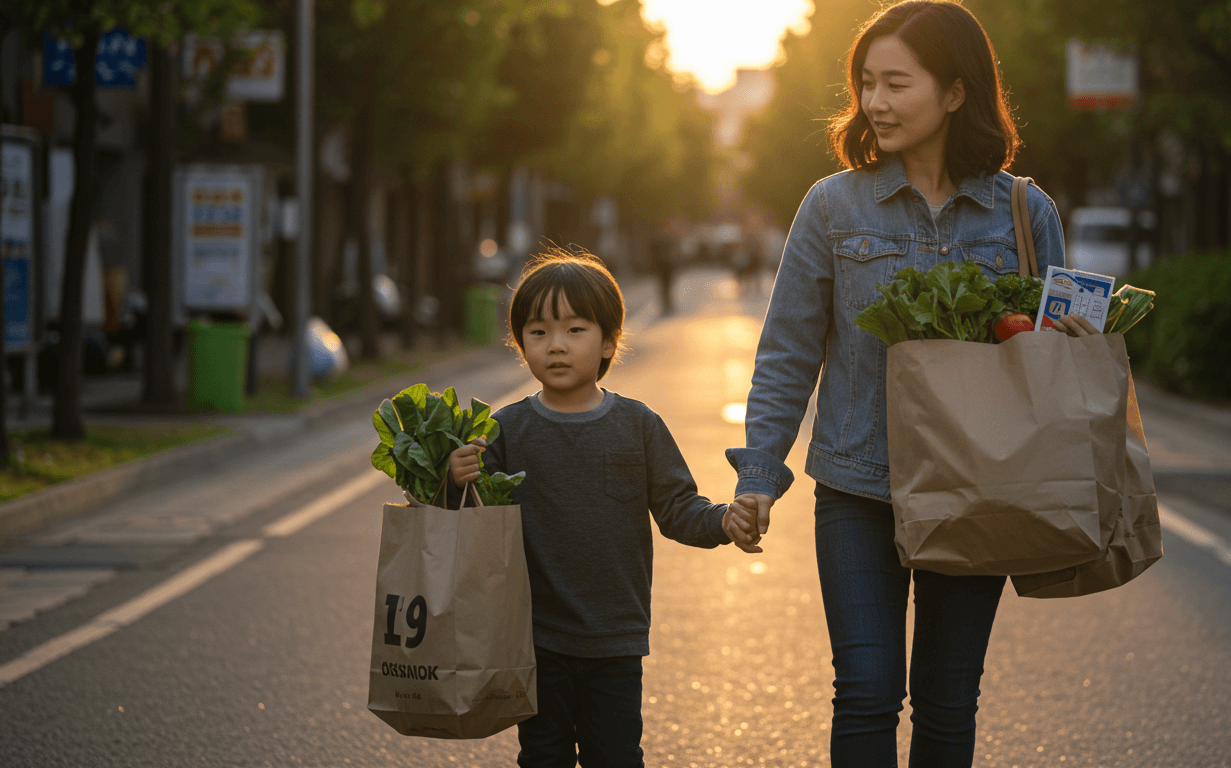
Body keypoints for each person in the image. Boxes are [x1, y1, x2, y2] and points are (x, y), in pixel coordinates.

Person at [724, 2, 1095, 766]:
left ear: (956, 92)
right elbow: (788, 350)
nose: (876, 103)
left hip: (978, 489)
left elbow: (1059, 356)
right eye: (866, 84)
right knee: (866, 691)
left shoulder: (1026, 214)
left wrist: (1082, 336)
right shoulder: (832, 206)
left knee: (948, 703)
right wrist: (760, 474)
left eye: (897, 83)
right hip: (859, 489)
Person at [447, 249, 761, 767]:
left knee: (614, 755)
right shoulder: (503, 430)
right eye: (539, 332)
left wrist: (723, 521)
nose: (556, 346)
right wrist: (454, 481)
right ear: (520, 343)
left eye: (575, 330)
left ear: (609, 340)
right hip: (533, 638)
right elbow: (471, 527)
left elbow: (679, 508)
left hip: (615, 640)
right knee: (542, 757)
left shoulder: (638, 425)